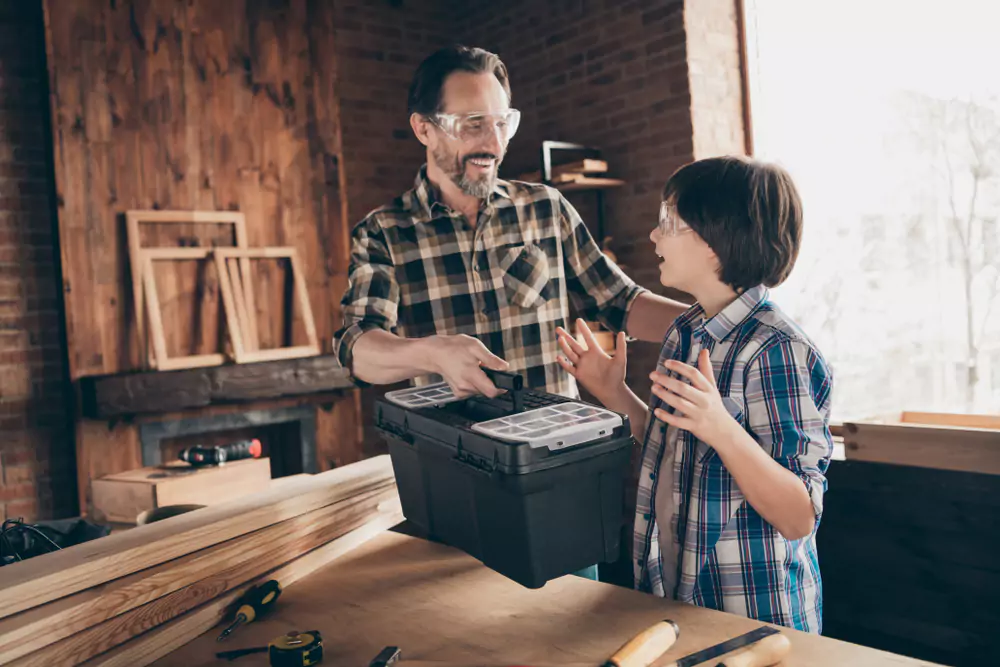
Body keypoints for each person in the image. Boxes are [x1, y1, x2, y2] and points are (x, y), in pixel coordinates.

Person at [333, 44, 688, 582]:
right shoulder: (383, 232)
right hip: (452, 490)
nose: (492, 143)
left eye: (502, 122)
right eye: (473, 124)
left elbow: (623, 303)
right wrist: (433, 351)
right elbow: (358, 347)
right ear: (424, 128)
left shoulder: (546, 209)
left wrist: (721, 319)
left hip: (556, 481)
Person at [556, 156, 834, 632]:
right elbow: (674, 447)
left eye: (669, 222)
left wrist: (721, 429)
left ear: (715, 240)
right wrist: (613, 392)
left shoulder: (778, 349)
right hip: (678, 603)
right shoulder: (684, 332)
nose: (654, 235)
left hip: (757, 620)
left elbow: (798, 516)